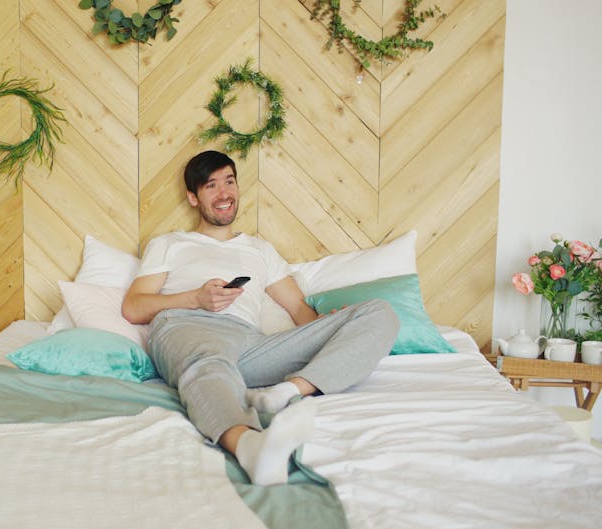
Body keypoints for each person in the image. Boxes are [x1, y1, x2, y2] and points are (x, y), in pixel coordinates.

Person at [121, 150, 399, 486]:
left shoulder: (260, 251)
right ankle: (249, 445)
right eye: (211, 186)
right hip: (187, 327)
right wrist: (195, 298)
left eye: (229, 182)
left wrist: (334, 327)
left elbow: (298, 310)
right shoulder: (170, 244)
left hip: (250, 345)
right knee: (207, 363)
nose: (224, 194)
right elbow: (133, 308)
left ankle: (287, 391)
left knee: (379, 313)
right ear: (193, 198)